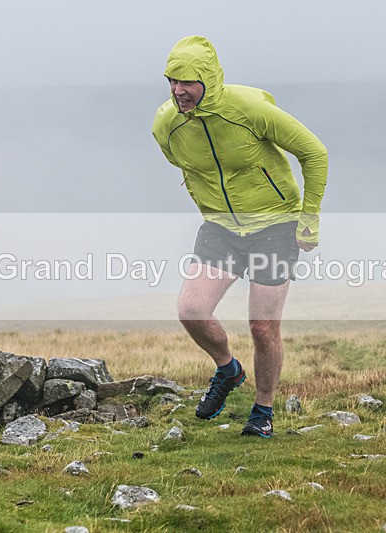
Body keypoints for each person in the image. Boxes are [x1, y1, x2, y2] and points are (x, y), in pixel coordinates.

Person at [152, 35, 328, 438]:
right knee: (192, 310)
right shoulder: (166, 124)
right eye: (172, 81)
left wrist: (309, 218)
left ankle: (263, 410)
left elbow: (314, 153)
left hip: (274, 225)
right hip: (221, 229)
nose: (178, 90)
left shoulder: (250, 111)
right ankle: (228, 369)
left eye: (188, 81)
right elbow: (187, 167)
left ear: (209, 81)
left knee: (263, 327)